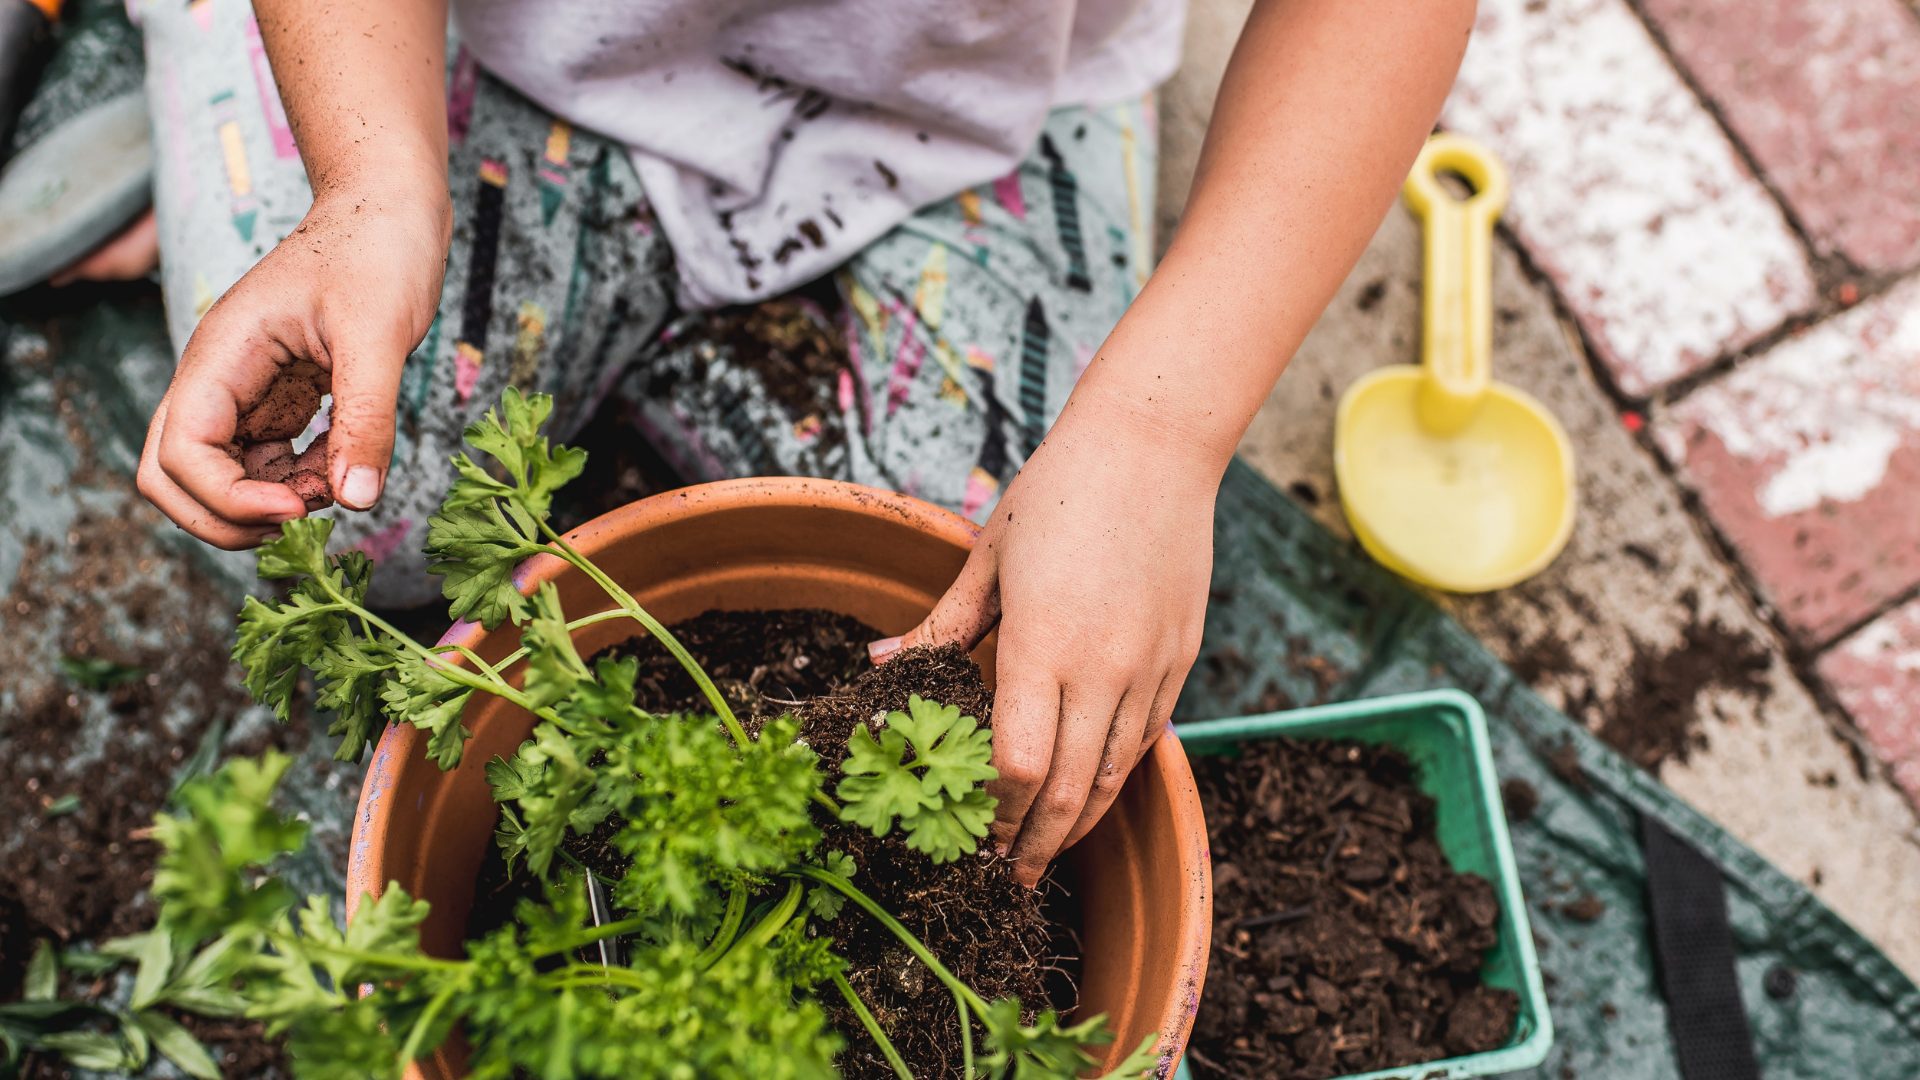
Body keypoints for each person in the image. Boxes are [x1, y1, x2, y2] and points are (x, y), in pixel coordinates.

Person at [114, 0, 1472, 885]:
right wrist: (368, 185)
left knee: (1003, 623)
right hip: (492, 44)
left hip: (974, 93)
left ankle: (681, 321)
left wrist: (1160, 432)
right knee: (342, 492)